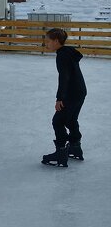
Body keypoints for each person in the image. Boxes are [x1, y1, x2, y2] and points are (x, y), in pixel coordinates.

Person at [41, 28, 87, 167]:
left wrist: (60, 98)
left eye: (48, 41)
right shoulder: (68, 51)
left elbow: (64, 77)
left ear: (56, 41)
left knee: (58, 121)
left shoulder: (62, 56)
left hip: (71, 93)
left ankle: (61, 153)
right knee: (71, 119)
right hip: (80, 91)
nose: (46, 44)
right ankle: (75, 147)